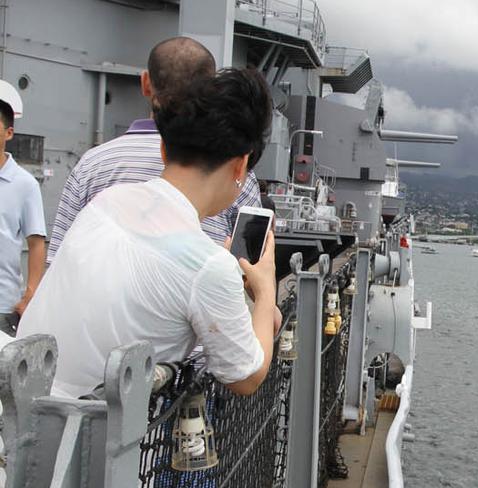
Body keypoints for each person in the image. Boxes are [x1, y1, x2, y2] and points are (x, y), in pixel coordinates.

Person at [17, 68, 277, 398]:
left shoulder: (106, 203)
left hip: (20, 402)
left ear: (164, 150)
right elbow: (246, 376)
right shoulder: (208, 265)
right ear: (240, 166)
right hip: (85, 439)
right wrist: (266, 290)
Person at [47, 36, 261, 264]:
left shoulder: (91, 164)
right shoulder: (233, 168)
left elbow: (58, 259)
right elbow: (251, 265)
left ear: (146, 83)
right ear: (211, 91)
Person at [0, 81, 45, 336]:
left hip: (3, 305)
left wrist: (30, 294)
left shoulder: (25, 184)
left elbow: (36, 242)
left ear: (9, 133)